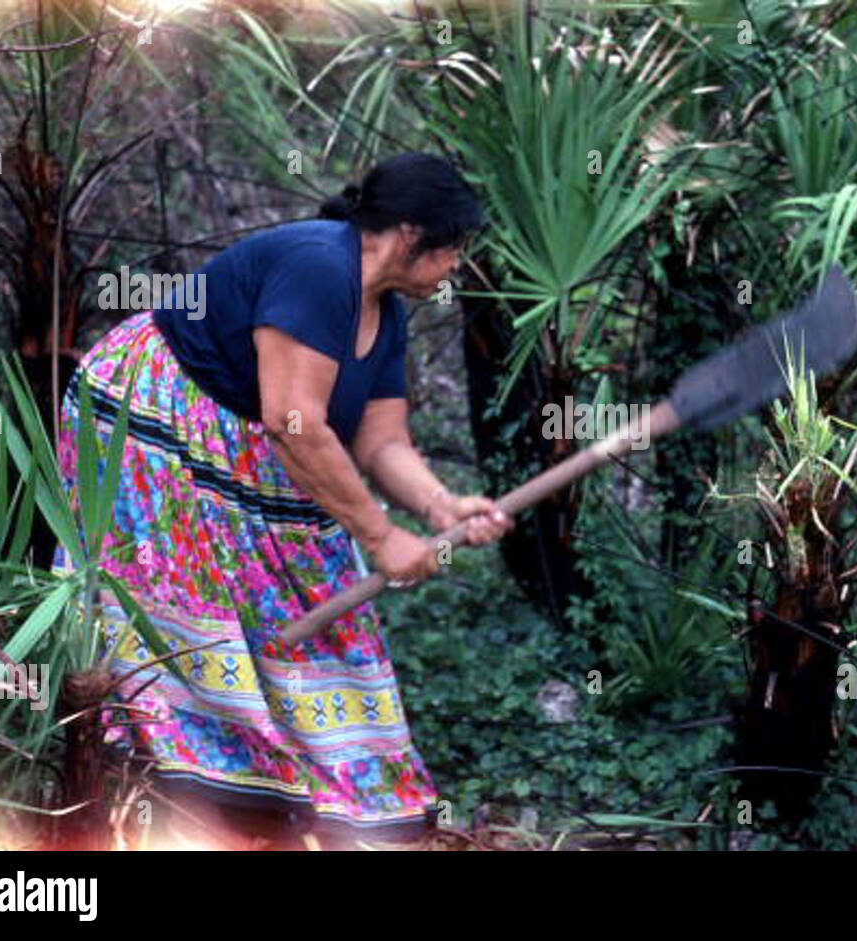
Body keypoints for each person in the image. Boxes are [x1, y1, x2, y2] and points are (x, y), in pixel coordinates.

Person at [54, 152, 513, 850]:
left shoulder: (385, 315)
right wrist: (382, 537)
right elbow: (293, 420)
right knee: (196, 601)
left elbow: (381, 440)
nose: (456, 266)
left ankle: (335, 799)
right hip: (153, 424)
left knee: (319, 597)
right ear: (410, 234)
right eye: (453, 248)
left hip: (249, 450)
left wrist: (440, 507)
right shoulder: (319, 266)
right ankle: (200, 794)